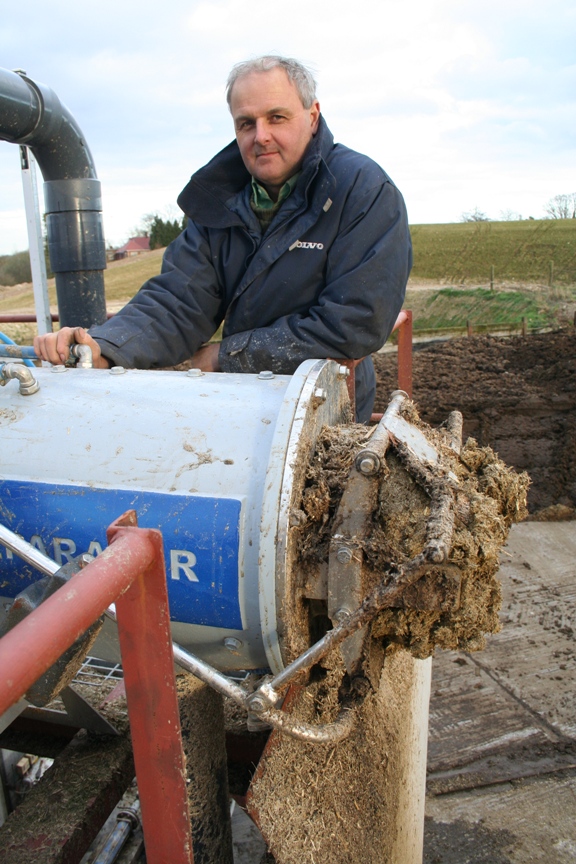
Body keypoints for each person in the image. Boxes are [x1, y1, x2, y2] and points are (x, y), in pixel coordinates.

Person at [34, 55, 412, 422]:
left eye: (276, 117)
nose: (261, 136)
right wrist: (104, 346)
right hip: (240, 400)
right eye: (246, 123)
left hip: (324, 404)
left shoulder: (363, 192)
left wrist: (227, 357)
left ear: (312, 116)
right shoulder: (220, 198)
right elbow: (178, 300)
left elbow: (354, 322)